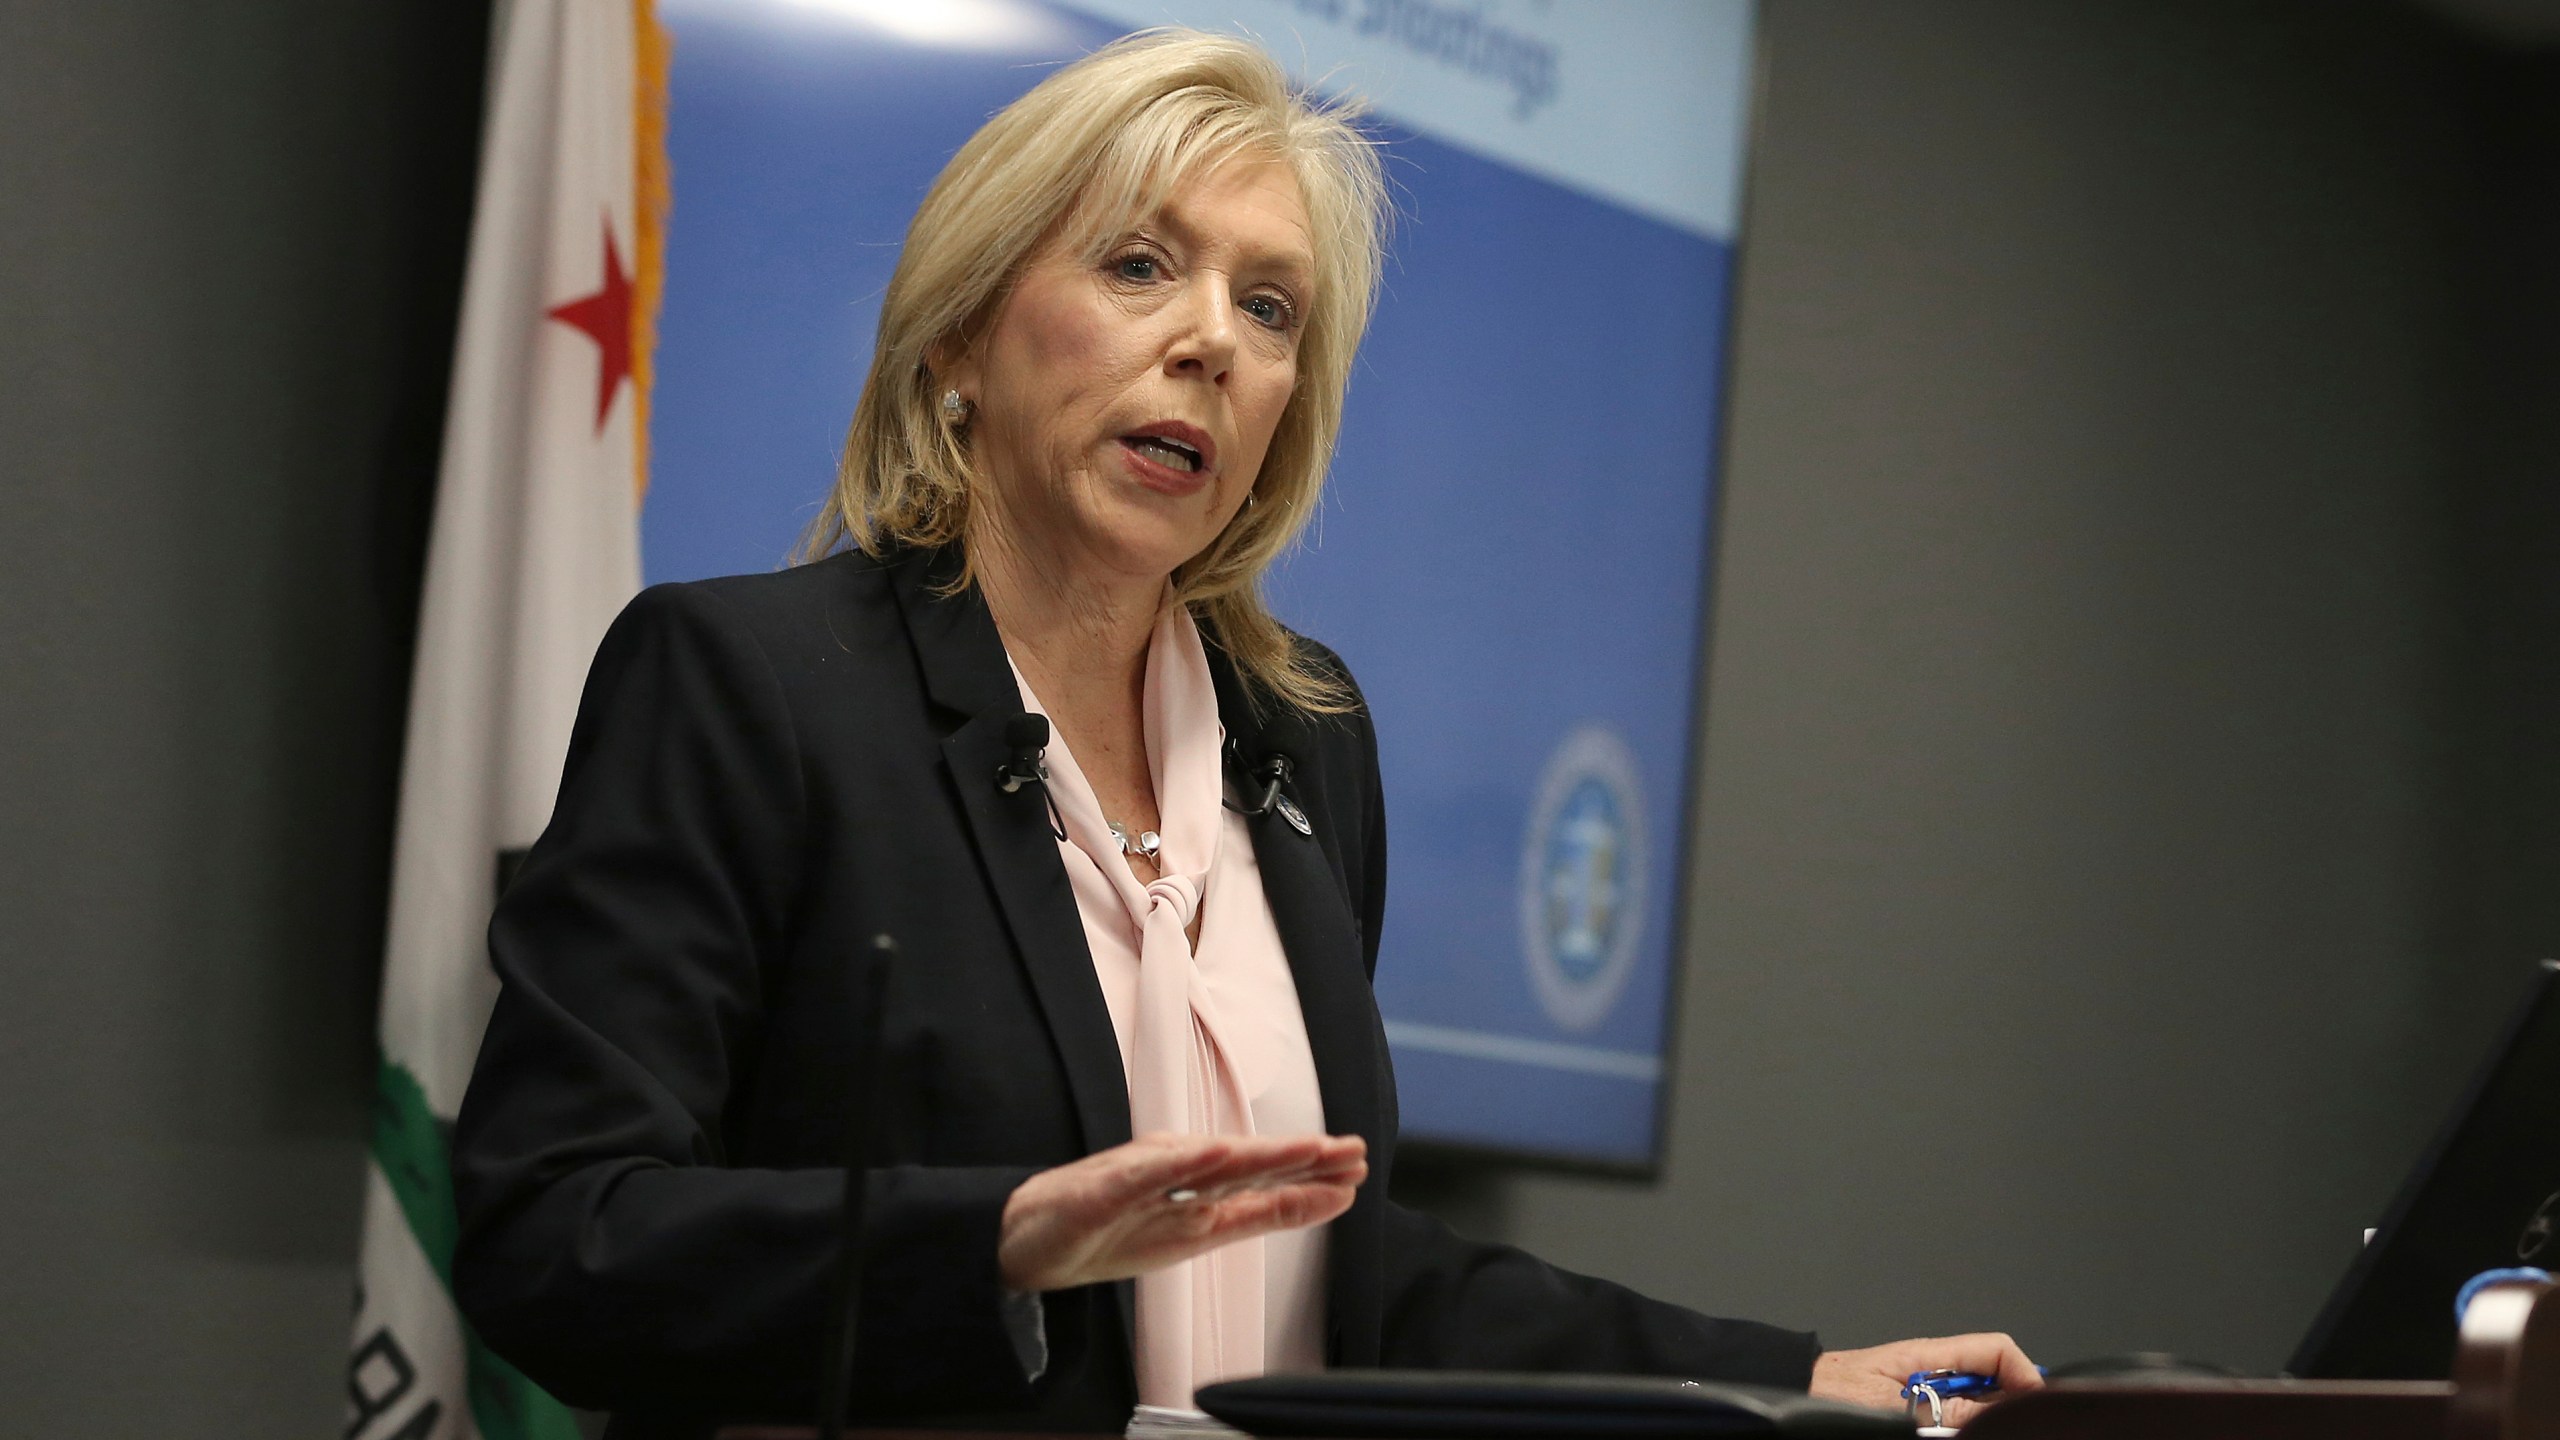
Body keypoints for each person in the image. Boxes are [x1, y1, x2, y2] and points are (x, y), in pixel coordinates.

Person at [450, 28, 2039, 1439]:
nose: (1213, 339)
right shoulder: (751, 687)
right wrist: (994, 1238)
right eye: (1140, 266)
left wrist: (1793, 1375)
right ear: (959, 342)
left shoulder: (1300, 740)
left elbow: (1348, 1276)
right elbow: (554, 1231)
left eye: (1267, 306)